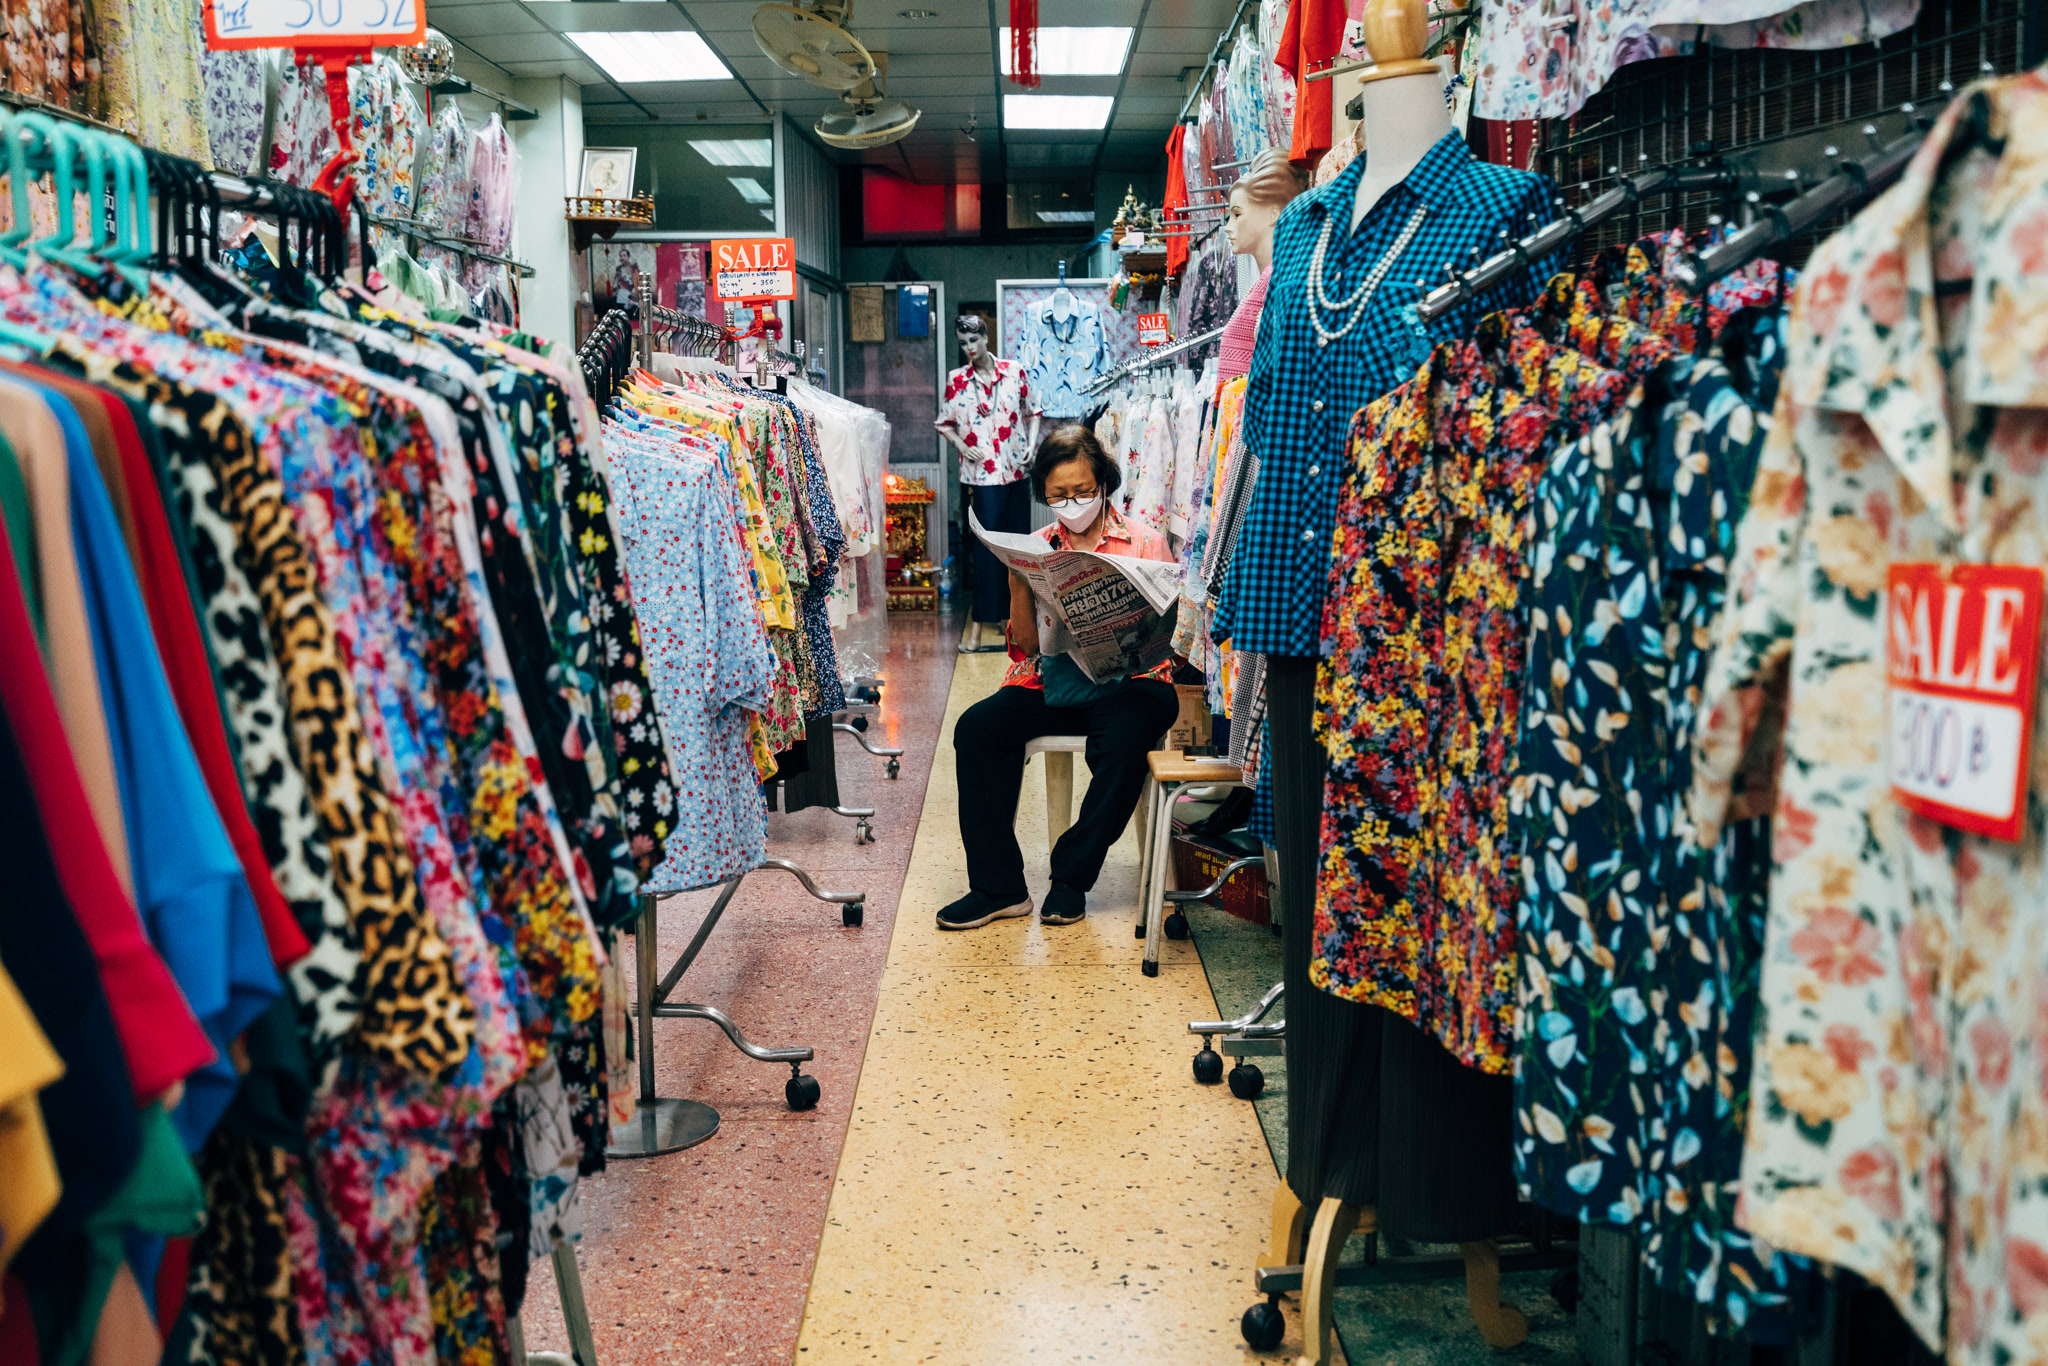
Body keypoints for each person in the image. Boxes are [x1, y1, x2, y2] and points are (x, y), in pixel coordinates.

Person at [939, 426, 1181, 931]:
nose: (1072, 504)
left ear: (1104, 485)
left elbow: (1171, 634)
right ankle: (997, 886)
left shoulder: (1146, 541)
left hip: (1131, 682)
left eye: (1083, 491)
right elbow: (1026, 647)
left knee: (1124, 742)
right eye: (1059, 496)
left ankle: (1070, 879)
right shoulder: (1035, 547)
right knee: (977, 729)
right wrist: (1018, 584)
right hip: (1056, 679)